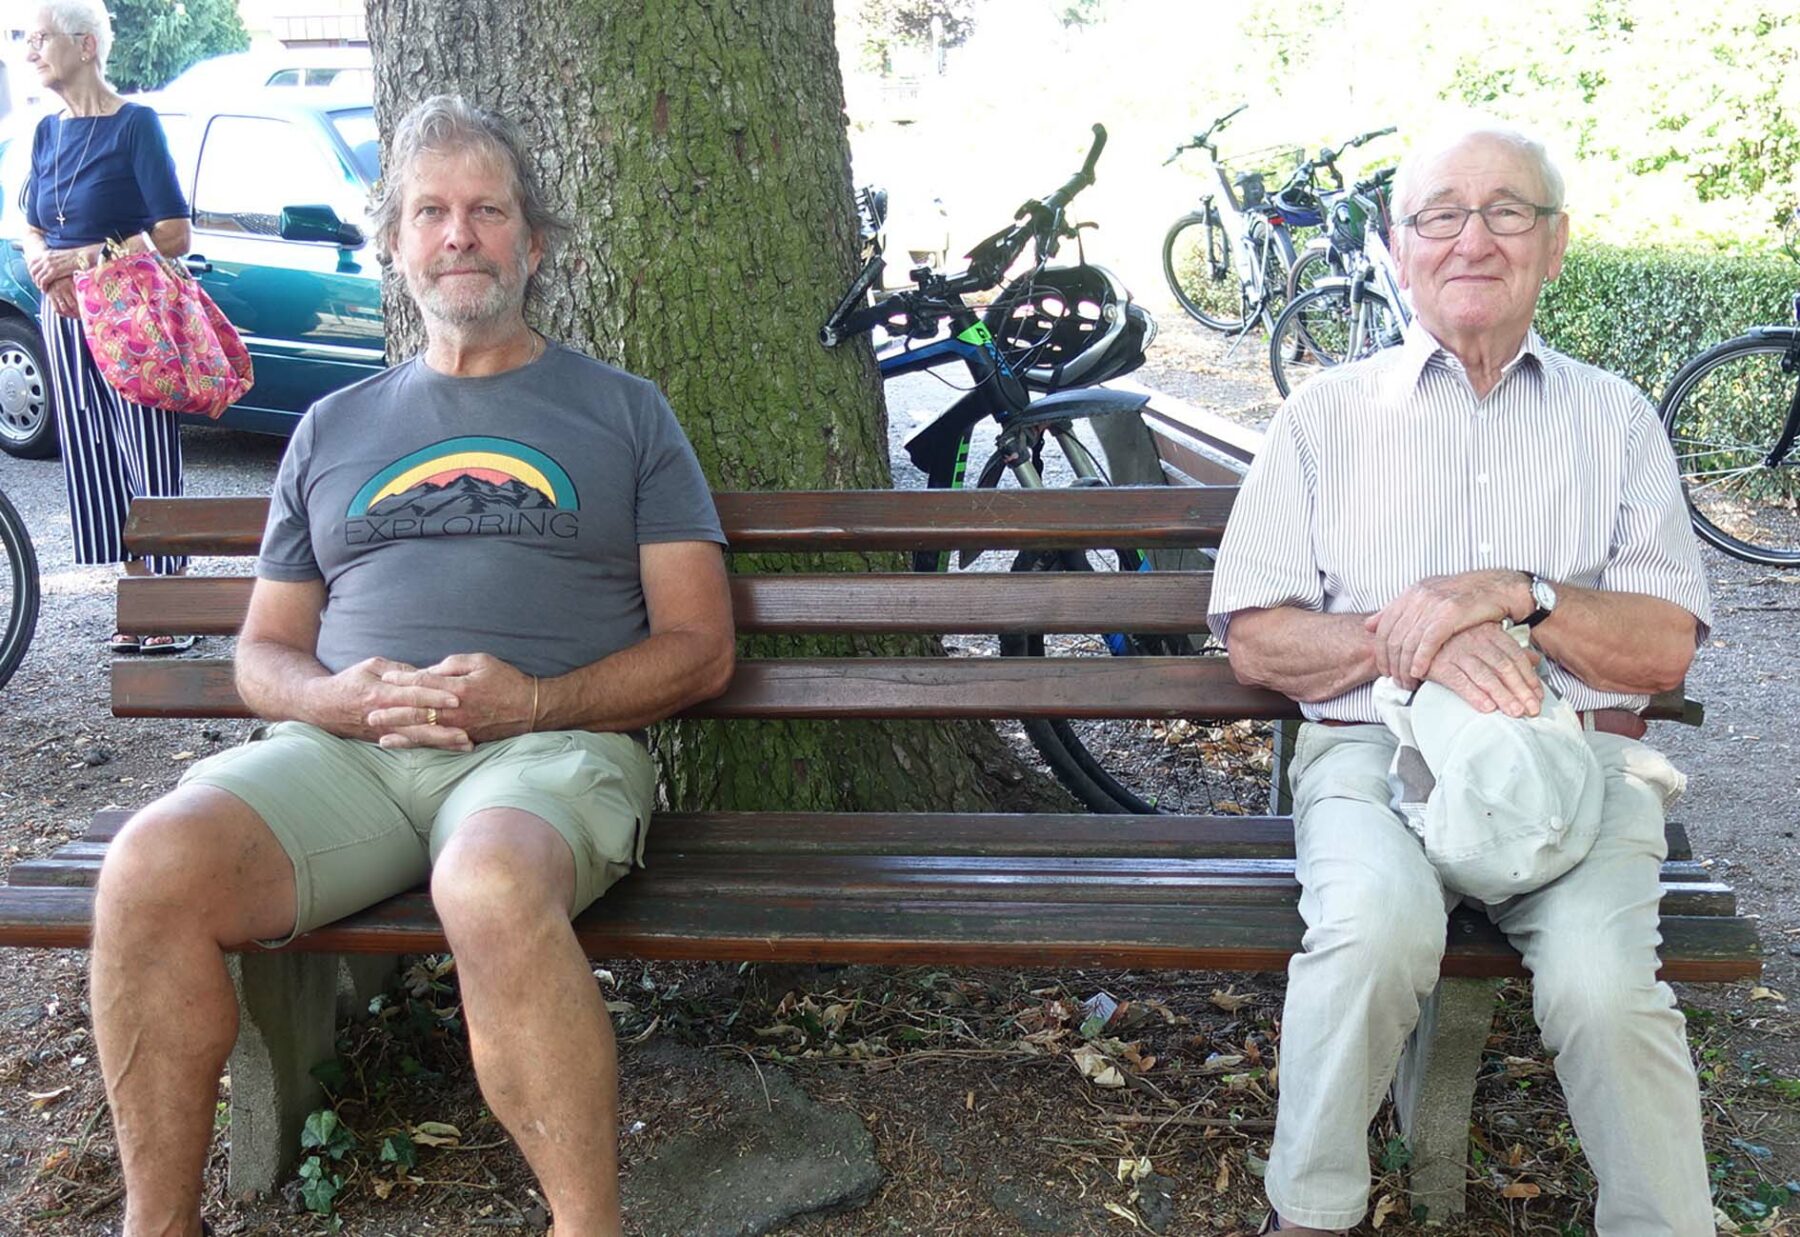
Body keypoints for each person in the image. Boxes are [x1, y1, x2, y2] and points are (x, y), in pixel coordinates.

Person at [86, 95, 736, 1237]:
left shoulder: (626, 415)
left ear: (534, 244)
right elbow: (263, 654)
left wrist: (535, 699)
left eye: (488, 210)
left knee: (486, 883)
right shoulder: (333, 427)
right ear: (394, 245)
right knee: (149, 864)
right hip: (348, 754)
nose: (459, 234)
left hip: (546, 752)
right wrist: (332, 698)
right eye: (430, 211)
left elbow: (702, 646)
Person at [1208, 119, 1713, 1236]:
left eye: (1506, 212)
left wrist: (1518, 593)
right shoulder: (1325, 416)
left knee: (1605, 988)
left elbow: (1663, 650)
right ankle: (1310, 1216)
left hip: (1580, 766)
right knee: (1371, 934)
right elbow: (1258, 641)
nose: (1472, 240)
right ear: (1398, 249)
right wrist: (1423, 637)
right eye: (1439, 215)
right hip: (1375, 757)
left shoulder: (1617, 419)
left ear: (1555, 243)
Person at [20, 1, 195, 652]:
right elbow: (31, 224)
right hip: (65, 315)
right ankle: (135, 595)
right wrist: (45, 264)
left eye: (41, 38)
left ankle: (171, 603)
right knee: (91, 451)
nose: (30, 50)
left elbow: (174, 234)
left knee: (146, 449)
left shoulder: (134, 124)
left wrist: (85, 259)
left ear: (86, 45)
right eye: (26, 39)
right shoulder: (46, 132)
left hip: (130, 312)